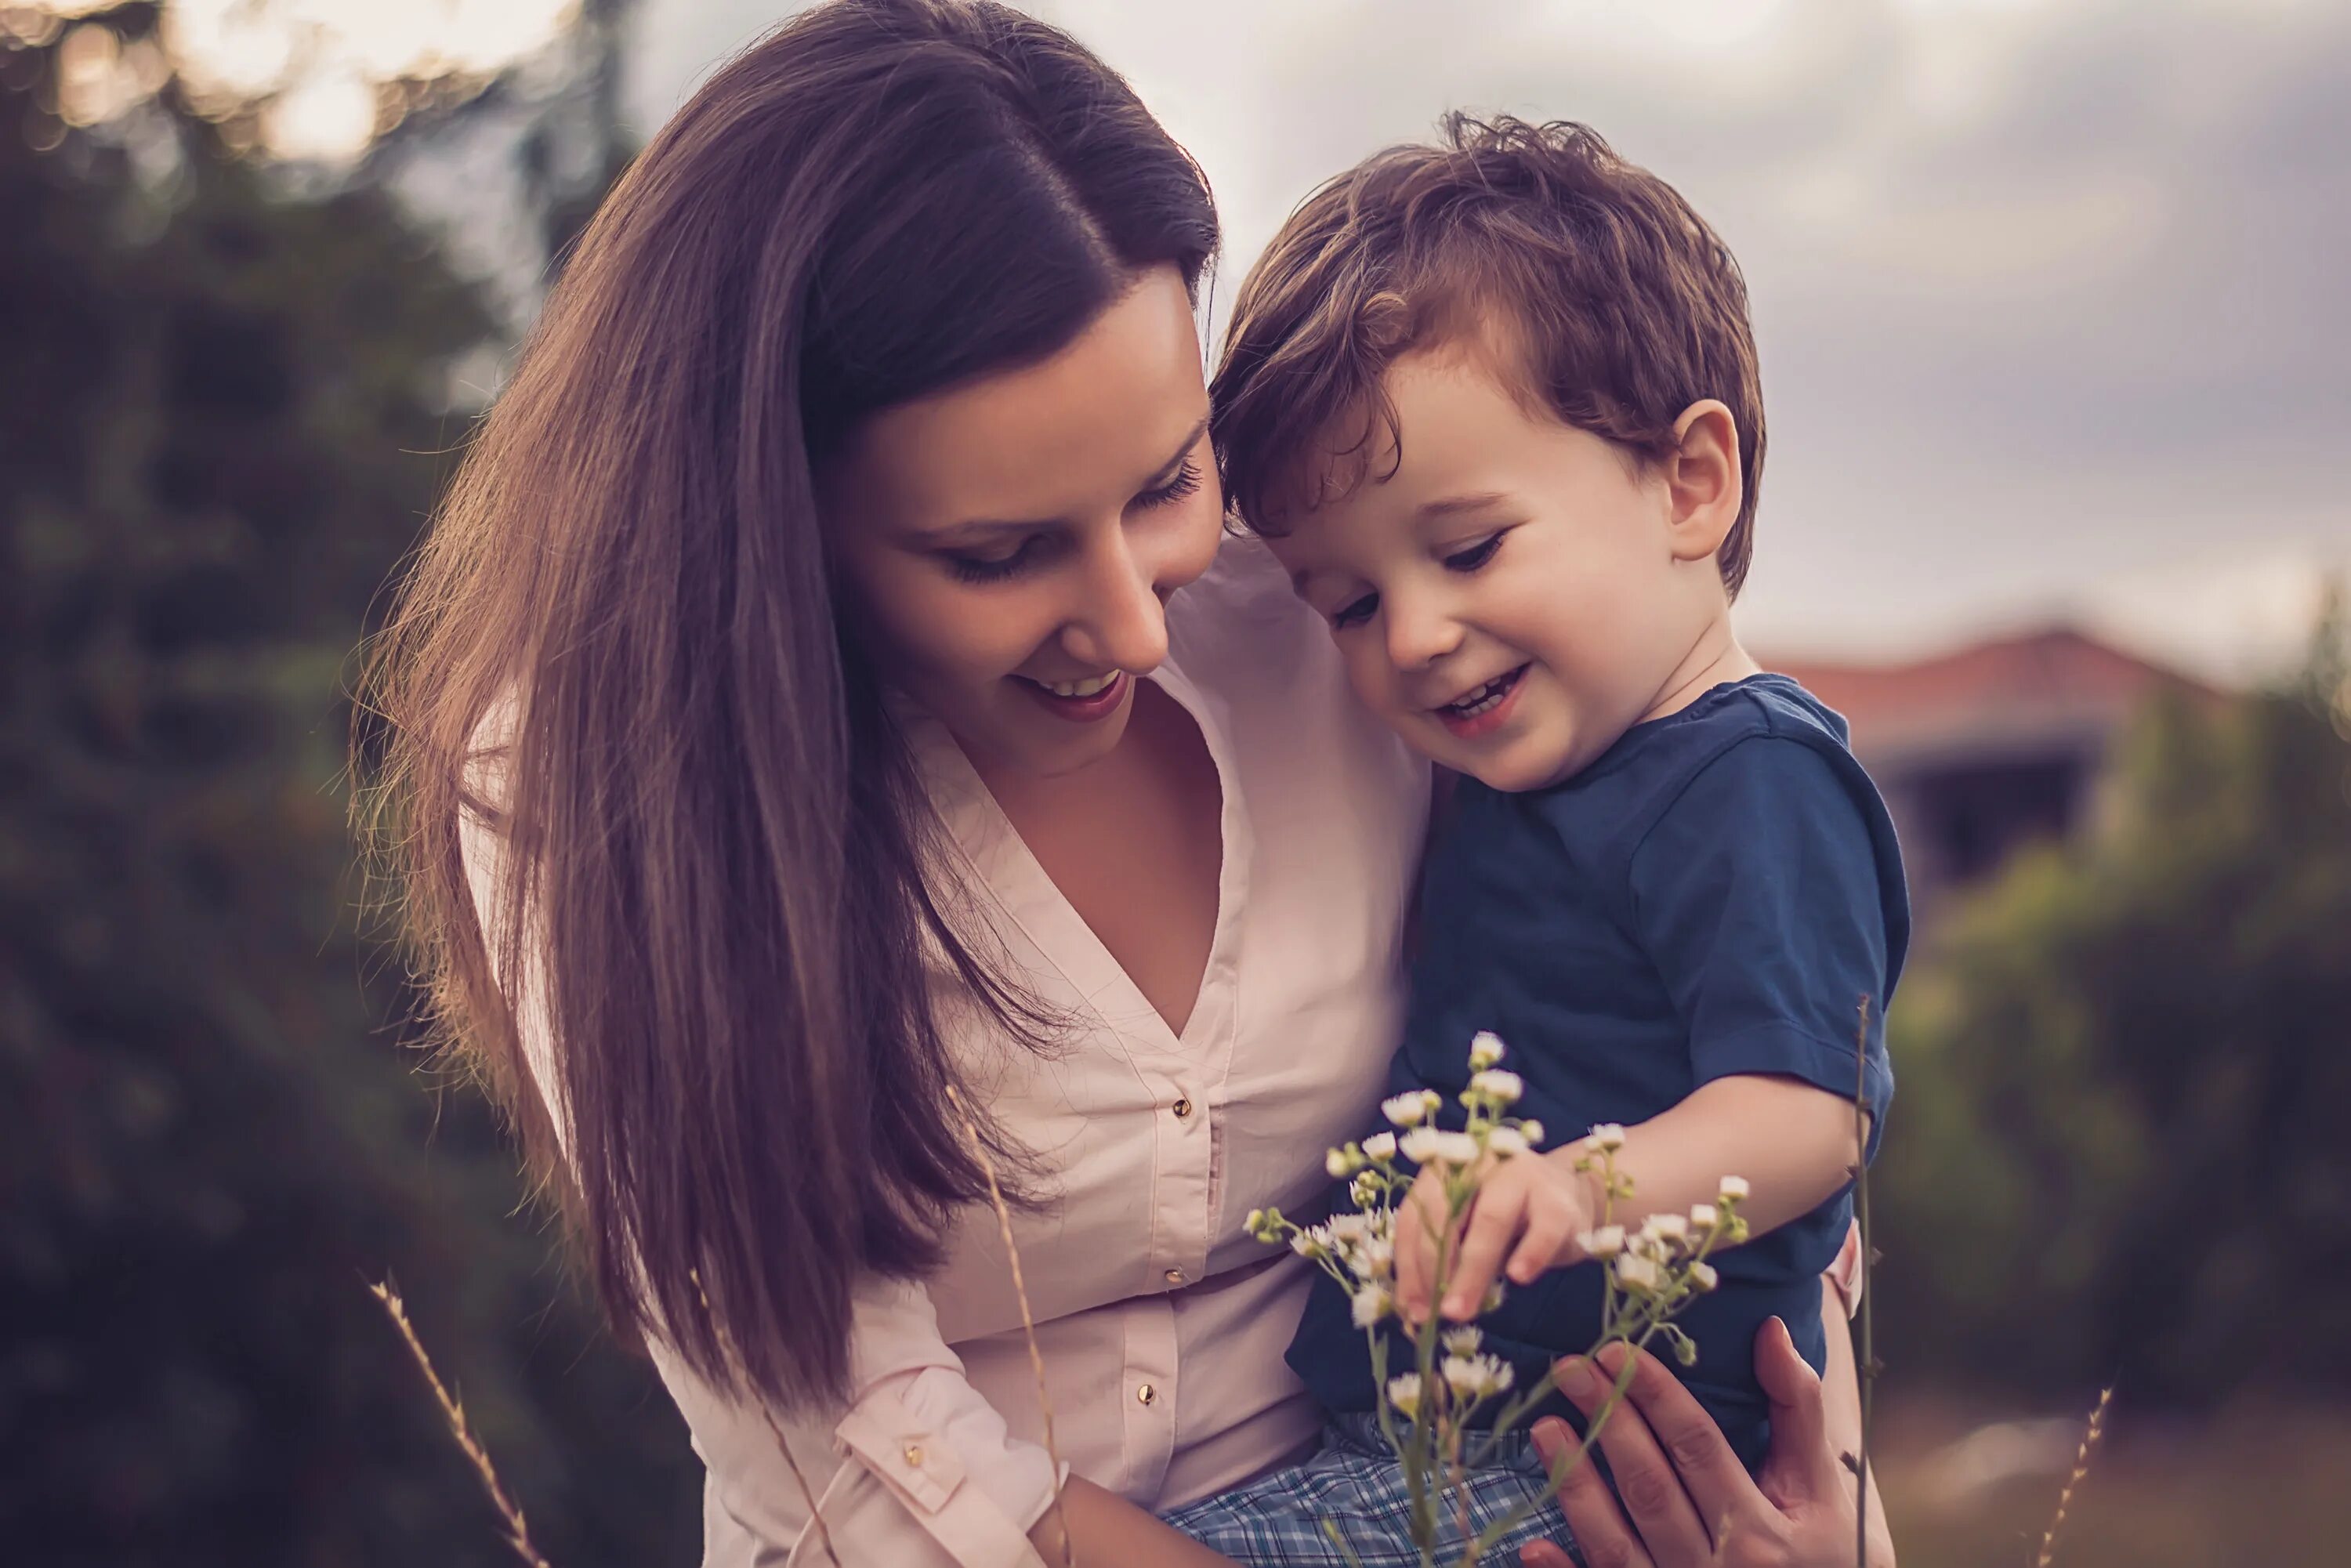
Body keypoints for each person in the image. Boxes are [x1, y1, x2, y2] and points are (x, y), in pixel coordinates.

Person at [358, 4, 1894, 1566]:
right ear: (776, 521)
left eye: (1169, 481)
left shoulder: (1346, 599)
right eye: (999, 551)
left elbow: (1721, 1071)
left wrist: (1819, 1515)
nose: (1141, 620)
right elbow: (845, 1431)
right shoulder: (593, 793)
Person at [1161, 118, 1907, 1563]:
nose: (1418, 635)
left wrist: (1578, 1189)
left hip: (1594, 1463)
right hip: (1462, 1427)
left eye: (1468, 547)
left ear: (1692, 482)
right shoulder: (1540, 768)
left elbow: (1811, 1110)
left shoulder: (1754, 775)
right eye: (1352, 602)